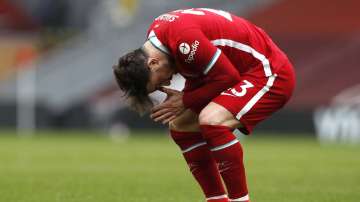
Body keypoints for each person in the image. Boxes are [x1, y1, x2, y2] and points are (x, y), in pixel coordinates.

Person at [113, 8, 295, 202]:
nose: (165, 84)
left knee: (212, 120)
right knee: (181, 124)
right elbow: (201, 71)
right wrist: (187, 99)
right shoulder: (157, 36)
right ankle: (216, 200)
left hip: (269, 72)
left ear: (153, 63)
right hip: (244, 71)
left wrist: (186, 100)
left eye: (158, 83)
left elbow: (227, 77)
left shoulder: (184, 40)